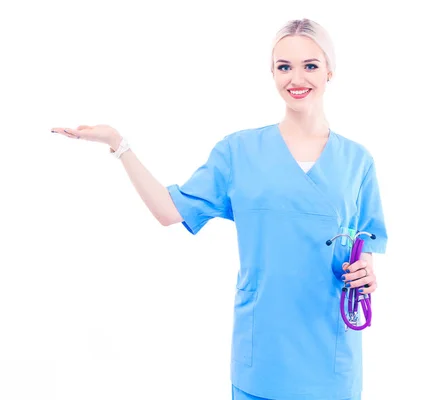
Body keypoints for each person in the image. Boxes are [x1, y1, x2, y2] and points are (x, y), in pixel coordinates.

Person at [51, 18, 387, 400]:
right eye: (284, 66)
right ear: (272, 73)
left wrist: (368, 275)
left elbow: (366, 254)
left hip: (330, 355)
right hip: (263, 355)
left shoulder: (358, 161)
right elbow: (168, 211)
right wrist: (119, 144)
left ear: (330, 71)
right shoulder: (238, 152)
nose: (297, 78)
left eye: (310, 65)